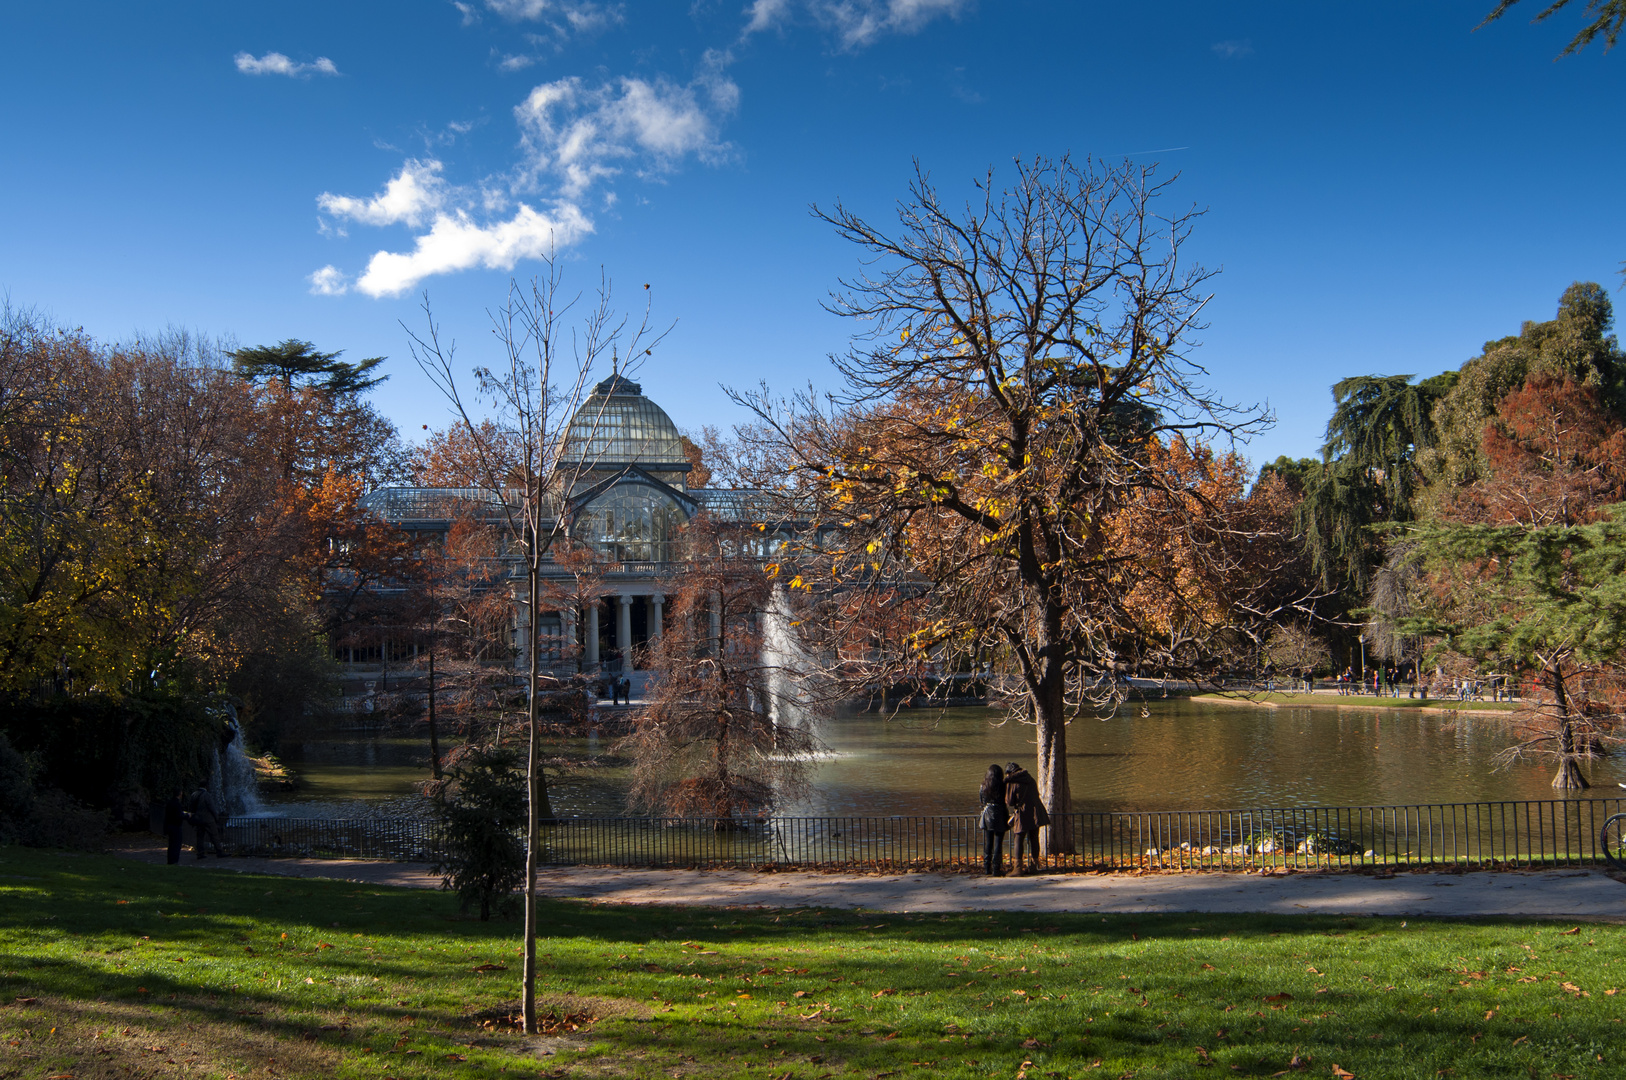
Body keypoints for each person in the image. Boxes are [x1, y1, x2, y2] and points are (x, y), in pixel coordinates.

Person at [1003, 761, 1049, 874]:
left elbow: (1009, 801)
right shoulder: (1030, 778)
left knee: (1018, 838)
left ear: (1009, 773)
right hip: (1035, 811)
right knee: (1034, 838)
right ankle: (1035, 866)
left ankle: (1018, 868)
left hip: (1022, 812)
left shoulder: (1012, 782)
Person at [977, 764, 1009, 875]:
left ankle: (987, 867)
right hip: (1000, 814)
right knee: (998, 843)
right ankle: (996, 868)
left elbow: (982, 800)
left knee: (988, 842)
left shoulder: (984, 786)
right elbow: (1007, 800)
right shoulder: (1003, 785)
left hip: (987, 815)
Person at [187, 785, 226, 859]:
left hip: (198, 819)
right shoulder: (206, 795)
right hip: (208, 819)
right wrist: (216, 817)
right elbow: (211, 807)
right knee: (214, 835)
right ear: (206, 786)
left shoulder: (194, 794)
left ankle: (200, 853)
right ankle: (219, 851)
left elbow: (191, 807)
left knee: (200, 837)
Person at [162, 789, 187, 865]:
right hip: (176, 826)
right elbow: (179, 815)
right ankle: (174, 860)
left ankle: (170, 860)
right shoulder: (177, 804)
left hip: (169, 826)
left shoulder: (169, 803)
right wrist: (186, 816)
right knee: (176, 844)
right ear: (179, 794)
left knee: (171, 844)